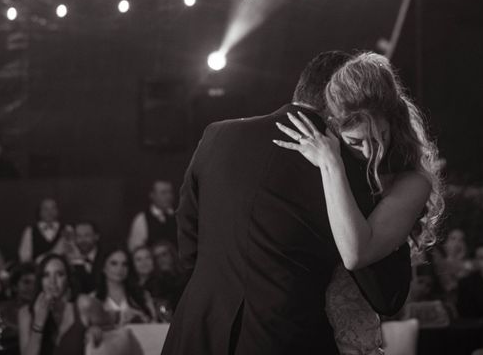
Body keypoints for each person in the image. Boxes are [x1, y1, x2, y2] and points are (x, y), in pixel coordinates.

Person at [161, 51, 414, 355]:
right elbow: (384, 294)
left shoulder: (217, 135)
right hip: (282, 337)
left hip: (196, 332)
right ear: (339, 101)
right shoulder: (343, 168)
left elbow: (189, 242)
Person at [274, 51, 443, 354]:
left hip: (353, 332)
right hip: (303, 330)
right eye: (354, 142)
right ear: (333, 130)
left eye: (379, 137)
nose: (368, 152)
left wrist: (331, 164)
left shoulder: (412, 182)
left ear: (394, 122)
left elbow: (354, 254)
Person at [18, 254, 102, 355]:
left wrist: (97, 331)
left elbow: (113, 327)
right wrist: (38, 323)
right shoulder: (25, 313)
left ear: (68, 279)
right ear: (40, 280)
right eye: (46, 275)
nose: (52, 281)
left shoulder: (83, 305)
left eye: (59, 274)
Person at [93, 247, 156, 326]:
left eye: (124, 264)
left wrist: (141, 318)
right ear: (103, 267)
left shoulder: (142, 295)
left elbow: (154, 324)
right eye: (114, 263)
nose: (120, 268)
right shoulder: (93, 298)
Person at [127, 180, 177, 251]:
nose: (168, 196)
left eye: (170, 192)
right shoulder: (142, 219)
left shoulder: (180, 216)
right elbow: (136, 250)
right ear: (152, 195)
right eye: (163, 193)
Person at [19, 198, 68, 263]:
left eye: (53, 208)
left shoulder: (67, 229)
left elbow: (70, 253)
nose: (49, 212)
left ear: (57, 211)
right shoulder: (30, 230)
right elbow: (24, 257)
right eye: (45, 209)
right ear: (40, 212)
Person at [67, 221, 103, 294]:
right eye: (78, 236)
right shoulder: (67, 259)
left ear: (96, 236)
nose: (82, 240)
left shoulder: (106, 257)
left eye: (87, 235)